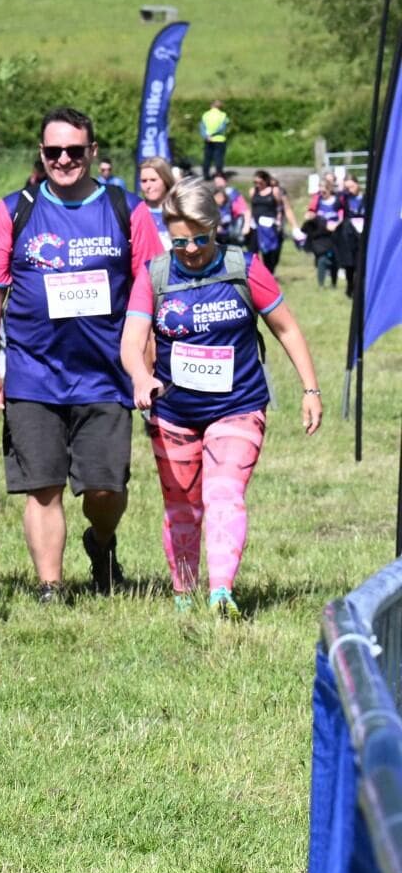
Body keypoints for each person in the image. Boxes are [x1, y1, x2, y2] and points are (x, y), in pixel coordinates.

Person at [0, 107, 162, 601]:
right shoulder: (13, 211)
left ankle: (101, 541)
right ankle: (50, 586)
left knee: (105, 488)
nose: (63, 160)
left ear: (92, 153)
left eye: (74, 151)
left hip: (106, 375)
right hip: (33, 374)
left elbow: (152, 289)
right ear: (41, 153)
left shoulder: (127, 210)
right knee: (43, 485)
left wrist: (147, 363)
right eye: (53, 151)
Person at [122, 179, 321, 616]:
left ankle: (220, 593)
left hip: (239, 405)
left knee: (224, 492)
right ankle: (184, 594)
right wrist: (140, 377)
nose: (190, 249)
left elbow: (285, 328)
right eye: (179, 241)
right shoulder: (155, 275)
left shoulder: (243, 267)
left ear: (216, 227)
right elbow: (132, 339)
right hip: (173, 410)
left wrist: (310, 389)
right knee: (182, 507)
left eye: (200, 238)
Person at [247, 170, 286, 265]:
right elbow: (251, 207)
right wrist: (247, 223)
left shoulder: (274, 191)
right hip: (255, 225)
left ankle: (269, 273)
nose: (257, 185)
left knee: (269, 253)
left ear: (265, 181)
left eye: (260, 182)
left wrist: (279, 220)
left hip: (269, 226)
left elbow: (280, 207)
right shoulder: (253, 191)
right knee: (252, 251)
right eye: (255, 182)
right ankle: (254, 272)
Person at [199, 100, 231, 176]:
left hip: (208, 139)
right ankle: (219, 175)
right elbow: (222, 128)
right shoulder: (223, 115)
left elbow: (202, 127)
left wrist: (206, 136)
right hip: (219, 139)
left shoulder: (205, 114)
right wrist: (213, 134)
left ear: (211, 105)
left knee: (207, 158)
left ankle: (206, 175)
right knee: (219, 158)